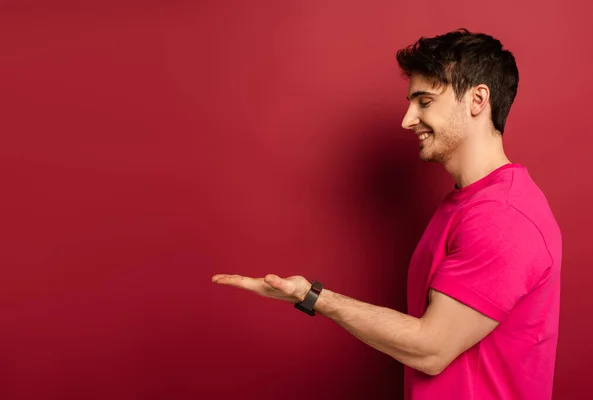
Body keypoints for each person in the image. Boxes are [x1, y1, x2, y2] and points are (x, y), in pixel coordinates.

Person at [211, 28, 562, 400]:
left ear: (477, 100)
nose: (407, 120)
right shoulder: (465, 203)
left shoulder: (503, 217)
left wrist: (313, 296)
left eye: (424, 102)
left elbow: (431, 348)